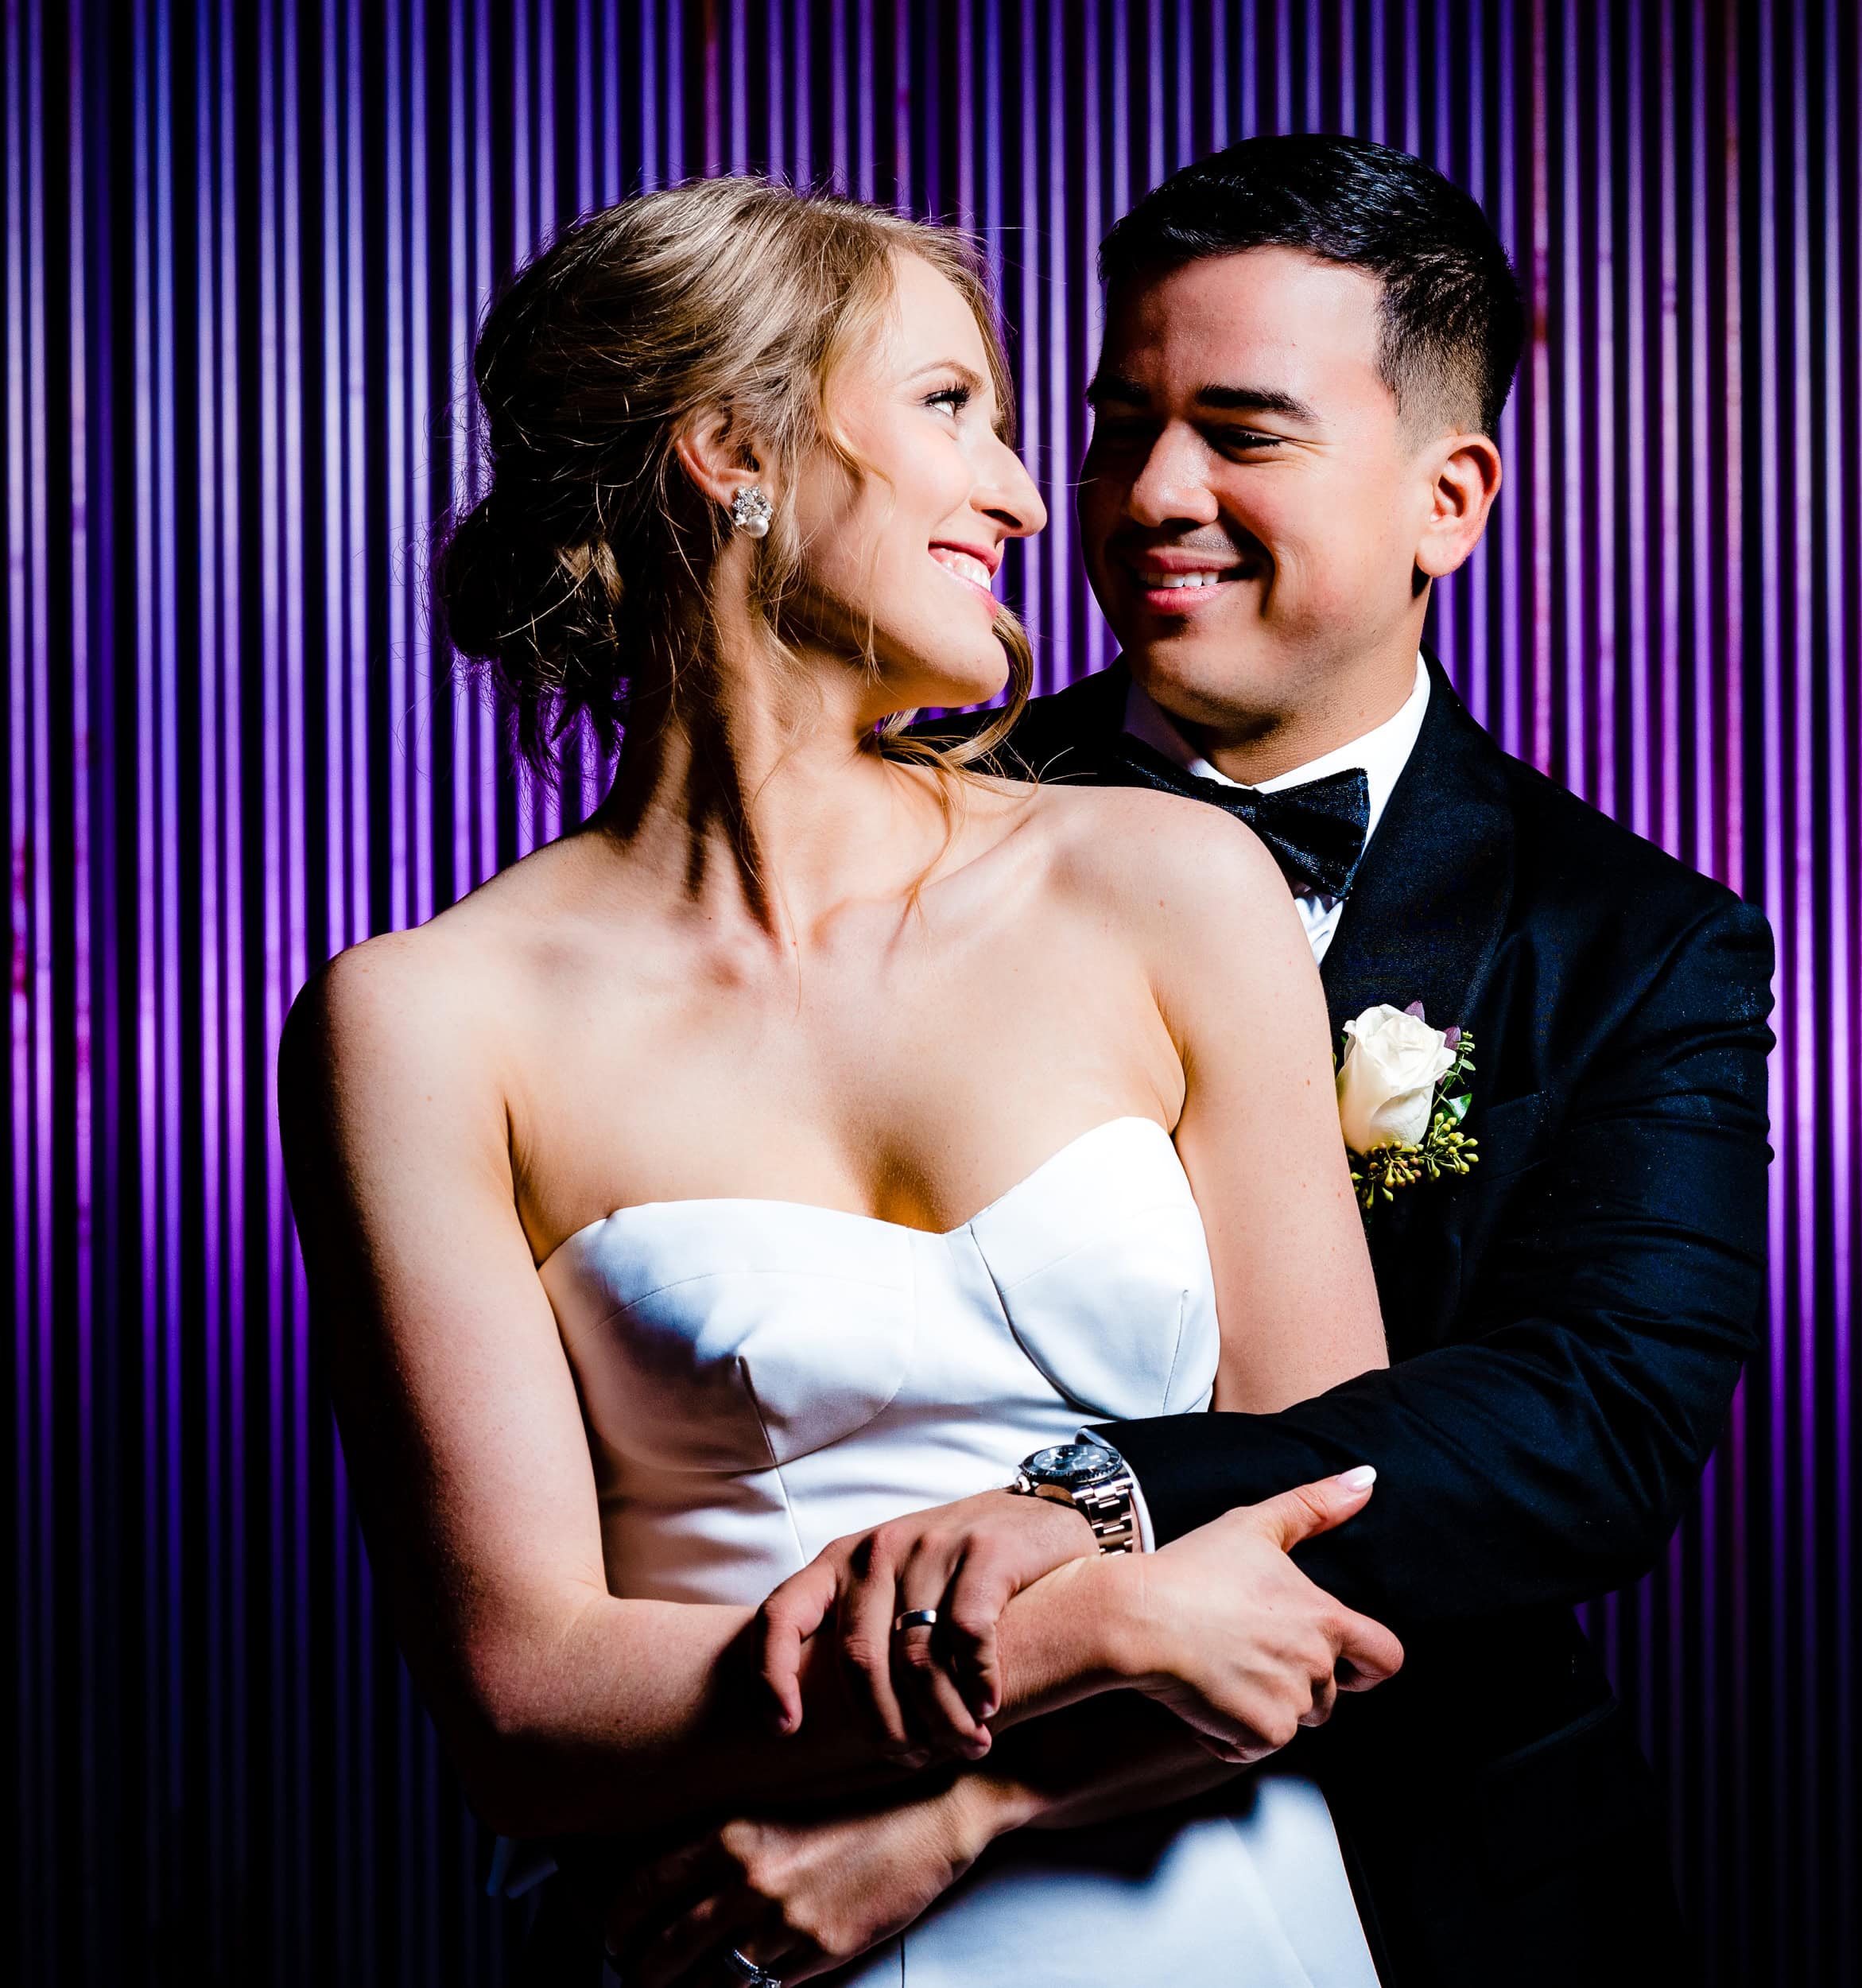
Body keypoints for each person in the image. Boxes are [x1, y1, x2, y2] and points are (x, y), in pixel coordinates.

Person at [277, 173, 1412, 1988]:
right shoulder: (422, 1023)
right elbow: (524, 1701)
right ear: (733, 446)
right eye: (952, 404)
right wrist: (1087, 1628)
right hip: (743, 1943)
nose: (1026, 497)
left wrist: (965, 1808)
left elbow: (1341, 1520)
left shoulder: (1167, 885)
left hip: (1209, 1909)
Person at [704, 136, 1776, 1988]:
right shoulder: (876, 830)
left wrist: (1102, 1500)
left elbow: (1589, 1423)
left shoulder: (1633, 940)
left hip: (1435, 1860)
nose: (1146, 496)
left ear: (1448, 497)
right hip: (853, 1802)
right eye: (1118, 426)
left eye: (1240, 431)